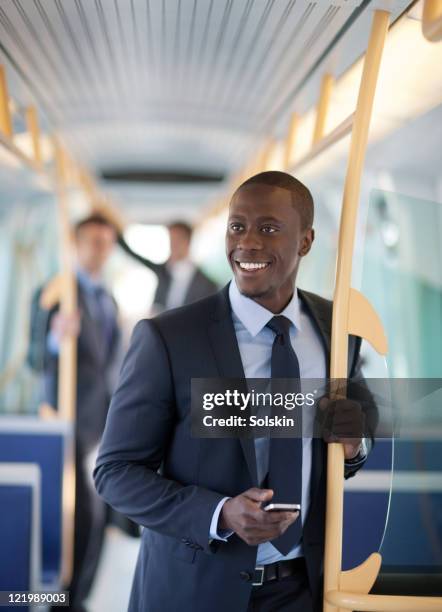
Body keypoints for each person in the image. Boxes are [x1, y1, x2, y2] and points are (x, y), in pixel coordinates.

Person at [94, 172, 374, 612]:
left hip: (302, 587)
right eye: (237, 226)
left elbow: (334, 457)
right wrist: (218, 513)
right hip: (194, 587)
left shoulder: (338, 333)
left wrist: (355, 444)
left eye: (268, 228)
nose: (247, 243)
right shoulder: (168, 338)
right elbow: (114, 472)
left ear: (305, 241)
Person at [28, 213, 121, 612]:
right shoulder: (53, 293)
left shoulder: (109, 299)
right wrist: (54, 339)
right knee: (78, 518)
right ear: (76, 243)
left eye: (105, 242)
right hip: (65, 423)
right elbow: (34, 358)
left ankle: (79, 597)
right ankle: (63, 600)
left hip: (101, 425)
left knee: (97, 519)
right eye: (91, 241)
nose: (98, 249)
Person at [118, 220, 218, 312]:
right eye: (171, 240)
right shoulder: (163, 271)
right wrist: (117, 235)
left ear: (188, 242)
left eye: (177, 240)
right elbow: (136, 256)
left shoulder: (208, 285)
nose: (172, 245)